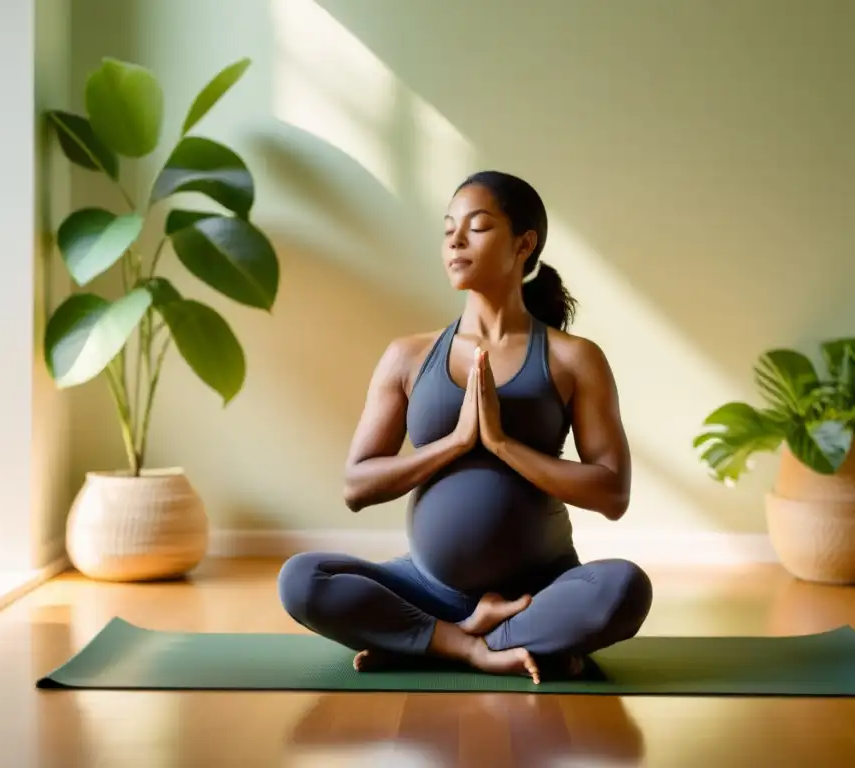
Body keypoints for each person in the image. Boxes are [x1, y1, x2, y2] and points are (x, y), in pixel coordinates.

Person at [278, 170, 652, 683]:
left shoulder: (573, 359)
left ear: (524, 244)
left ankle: (435, 640)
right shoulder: (408, 356)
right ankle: (484, 645)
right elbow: (356, 487)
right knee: (302, 579)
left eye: (477, 227)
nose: (455, 239)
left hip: (539, 590)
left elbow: (612, 493)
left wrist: (501, 443)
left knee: (624, 588)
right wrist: (457, 441)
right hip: (425, 585)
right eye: (449, 227)